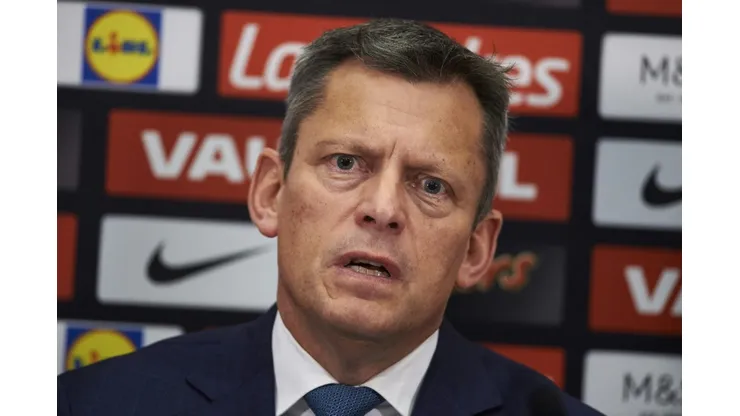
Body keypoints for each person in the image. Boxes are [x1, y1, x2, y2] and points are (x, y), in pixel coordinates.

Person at [57, 18, 604, 416]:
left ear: (477, 249)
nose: (383, 210)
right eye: (345, 163)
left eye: (431, 185)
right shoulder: (94, 404)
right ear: (271, 193)